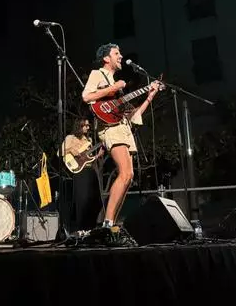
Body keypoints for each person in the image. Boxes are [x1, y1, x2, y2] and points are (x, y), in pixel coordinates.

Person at [82, 43, 161, 231]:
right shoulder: (98, 74)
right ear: (106, 58)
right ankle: (107, 224)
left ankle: (111, 224)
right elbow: (86, 97)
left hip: (123, 127)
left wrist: (149, 96)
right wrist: (112, 88)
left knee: (129, 176)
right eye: (116, 53)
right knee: (125, 173)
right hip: (110, 128)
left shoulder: (115, 85)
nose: (120, 56)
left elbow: (132, 116)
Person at [60, 118, 104, 232]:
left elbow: (87, 158)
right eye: (86, 125)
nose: (88, 127)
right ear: (79, 126)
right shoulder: (71, 138)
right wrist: (73, 150)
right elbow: (60, 152)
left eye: (88, 126)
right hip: (80, 172)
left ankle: (91, 228)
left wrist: (97, 156)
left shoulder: (88, 140)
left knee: (96, 200)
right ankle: (81, 229)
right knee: (82, 201)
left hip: (90, 171)